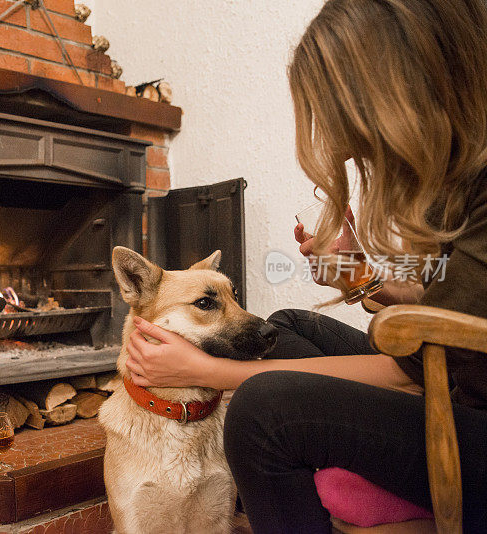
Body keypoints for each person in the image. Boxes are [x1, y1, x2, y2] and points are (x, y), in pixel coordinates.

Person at [123, 0, 487, 532]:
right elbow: (453, 302)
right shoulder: (457, 174)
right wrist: (362, 278)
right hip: (456, 374)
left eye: (344, 107)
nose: (341, 139)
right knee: (290, 324)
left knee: (261, 411)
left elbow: (415, 364)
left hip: (470, 412)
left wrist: (213, 374)